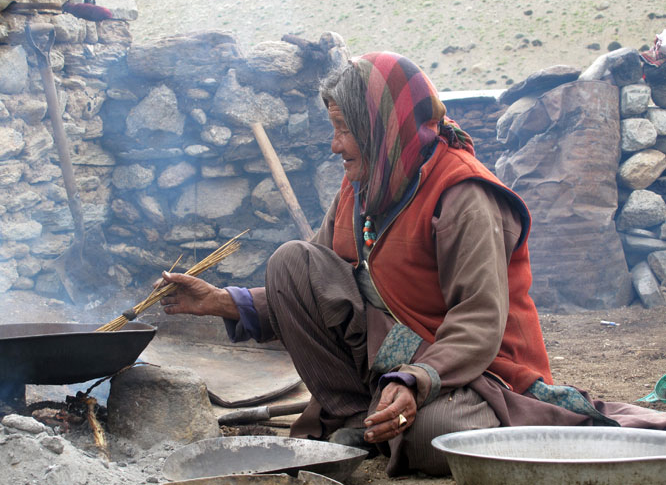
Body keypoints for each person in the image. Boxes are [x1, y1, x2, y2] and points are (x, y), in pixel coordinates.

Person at [159, 52, 666, 477]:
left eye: (343, 130)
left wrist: (415, 380)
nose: (335, 145)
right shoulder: (362, 187)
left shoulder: (464, 196)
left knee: (440, 435)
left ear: (383, 129)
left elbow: (479, 322)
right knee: (293, 259)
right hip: (385, 366)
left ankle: (396, 422)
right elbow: (315, 282)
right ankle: (361, 418)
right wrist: (224, 303)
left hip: (470, 371)